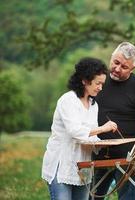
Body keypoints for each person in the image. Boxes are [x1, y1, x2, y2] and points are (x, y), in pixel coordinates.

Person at [42, 57, 118, 200]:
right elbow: (75, 131)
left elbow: (91, 134)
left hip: (83, 168)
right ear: (84, 80)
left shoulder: (93, 104)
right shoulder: (68, 100)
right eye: (98, 83)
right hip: (61, 166)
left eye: (102, 84)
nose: (100, 88)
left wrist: (105, 144)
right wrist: (103, 129)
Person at [92, 42, 135, 200]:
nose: (118, 69)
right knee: (92, 197)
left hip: (127, 158)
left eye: (124, 67)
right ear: (111, 58)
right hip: (97, 154)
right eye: (116, 62)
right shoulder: (98, 81)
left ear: (132, 68)